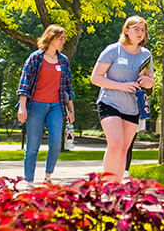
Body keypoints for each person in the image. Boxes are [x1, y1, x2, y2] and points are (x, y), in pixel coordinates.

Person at [90, 16, 154, 183]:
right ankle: (107, 185)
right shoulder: (113, 50)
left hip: (132, 106)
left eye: (143, 29)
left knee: (124, 148)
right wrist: (121, 86)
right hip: (109, 102)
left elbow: (151, 81)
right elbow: (95, 78)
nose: (140, 33)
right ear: (126, 30)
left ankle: (115, 187)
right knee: (116, 144)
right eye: (136, 29)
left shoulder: (146, 55)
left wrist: (147, 81)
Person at [17, 25, 75, 186]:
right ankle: (28, 180)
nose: (63, 41)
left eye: (64, 38)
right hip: (36, 105)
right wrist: (22, 107)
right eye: (60, 38)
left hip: (56, 106)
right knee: (33, 145)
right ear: (50, 38)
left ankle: (48, 176)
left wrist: (71, 109)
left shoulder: (63, 60)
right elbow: (25, 83)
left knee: (56, 142)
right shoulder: (35, 58)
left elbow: (68, 87)